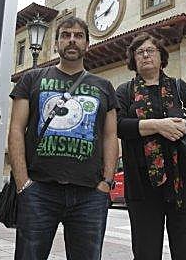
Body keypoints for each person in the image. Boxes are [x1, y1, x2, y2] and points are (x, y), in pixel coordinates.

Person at [8, 16, 119, 260]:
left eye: (78, 36)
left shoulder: (104, 86)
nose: (72, 40)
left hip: (89, 194)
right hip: (39, 189)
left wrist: (106, 183)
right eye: (65, 35)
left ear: (87, 44)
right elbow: (16, 129)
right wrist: (22, 182)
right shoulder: (32, 79)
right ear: (56, 43)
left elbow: (111, 136)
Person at [115, 32, 186, 260]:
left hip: (184, 182)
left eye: (150, 50)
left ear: (161, 56)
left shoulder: (178, 87)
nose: (145, 55)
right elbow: (119, 126)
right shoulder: (125, 91)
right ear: (133, 59)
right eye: (139, 52)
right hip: (142, 186)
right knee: (146, 252)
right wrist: (159, 126)